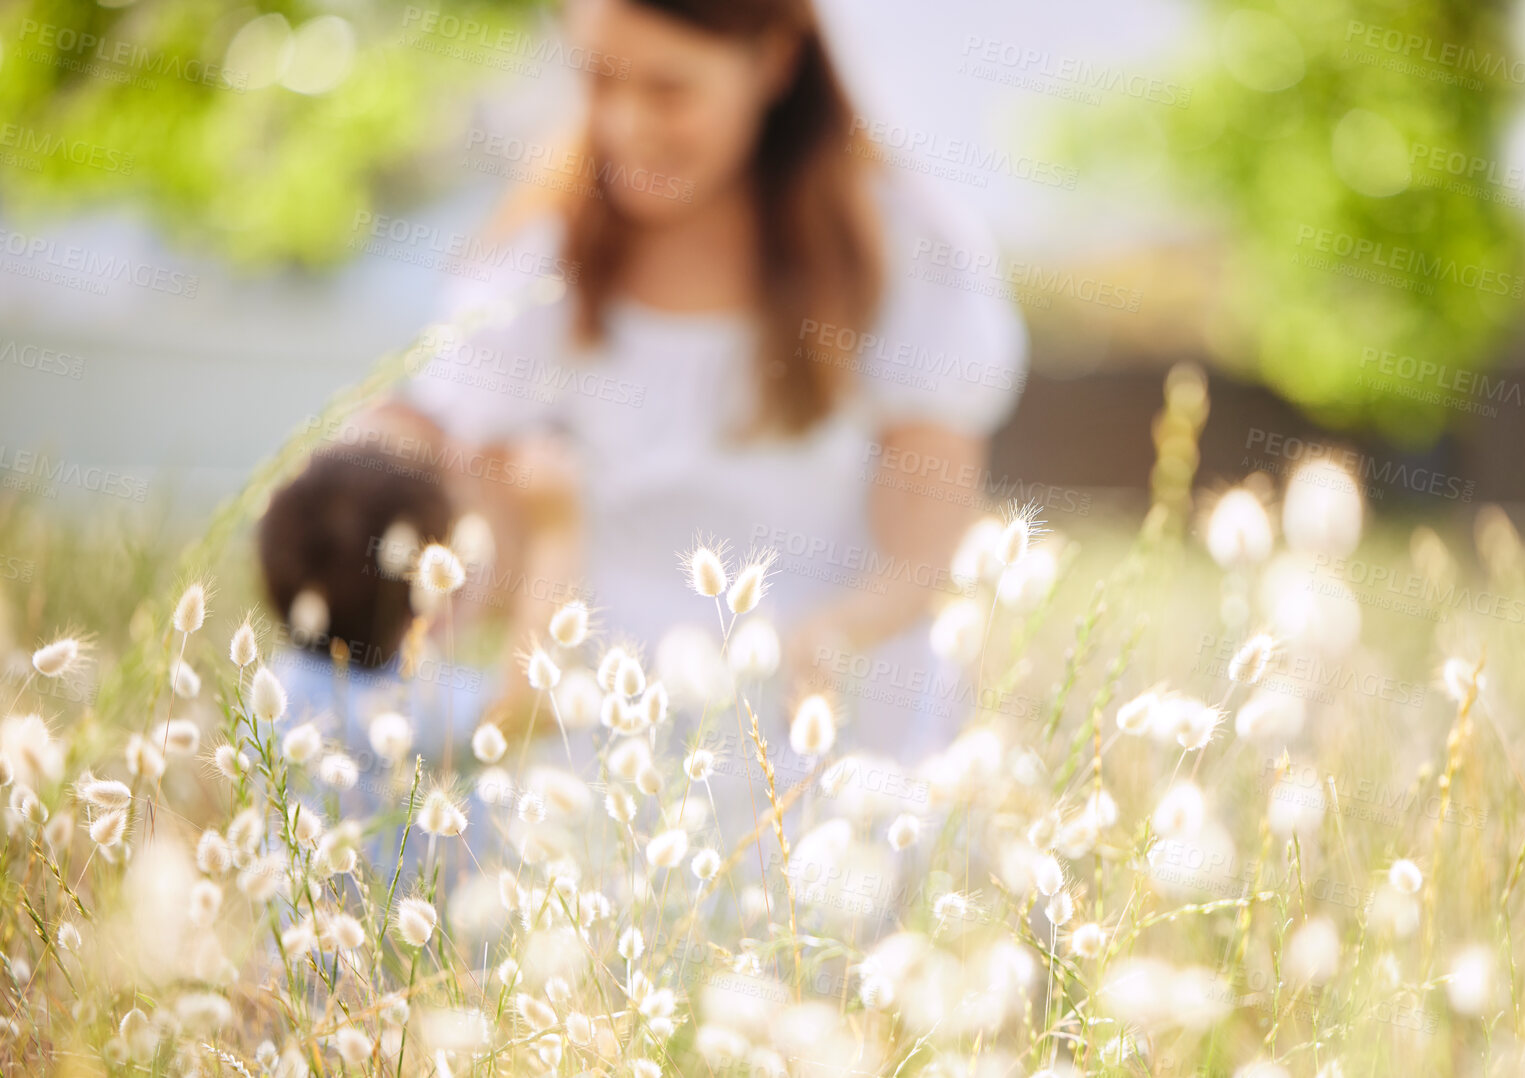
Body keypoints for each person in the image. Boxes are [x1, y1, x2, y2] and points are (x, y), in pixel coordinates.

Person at [381, 0, 1027, 773]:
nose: (624, 124)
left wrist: (818, 645)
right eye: (598, 79)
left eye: (668, 90)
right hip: (596, 759)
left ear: (774, 61)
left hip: (823, 751)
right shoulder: (540, 253)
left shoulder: (902, 249)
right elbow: (481, 537)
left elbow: (920, 549)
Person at [257, 446, 491, 855]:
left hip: (298, 916)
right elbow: (530, 707)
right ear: (420, 585)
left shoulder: (275, 688)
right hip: (418, 918)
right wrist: (555, 535)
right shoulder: (423, 707)